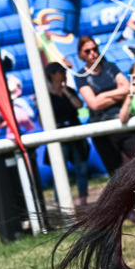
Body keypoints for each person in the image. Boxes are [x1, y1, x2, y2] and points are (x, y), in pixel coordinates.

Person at [75, 35, 135, 175]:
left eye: (94, 49)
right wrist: (118, 94)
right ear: (81, 55)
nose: (92, 53)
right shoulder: (81, 76)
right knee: (116, 174)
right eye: (87, 51)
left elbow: (129, 88)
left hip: (123, 122)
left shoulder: (110, 67)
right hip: (102, 129)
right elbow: (94, 104)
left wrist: (103, 96)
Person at [45, 62, 91, 207]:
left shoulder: (69, 90)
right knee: (60, 170)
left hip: (75, 132)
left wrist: (65, 92)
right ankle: (62, 204)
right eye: (60, 71)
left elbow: (79, 105)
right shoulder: (45, 96)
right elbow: (42, 119)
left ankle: (83, 201)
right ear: (52, 75)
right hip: (59, 135)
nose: (64, 74)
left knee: (81, 168)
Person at [0, 75, 36, 140]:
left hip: (14, 118)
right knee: (32, 133)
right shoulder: (7, 101)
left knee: (11, 138)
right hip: (24, 115)